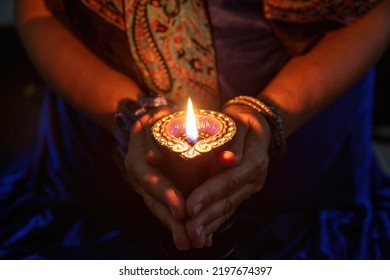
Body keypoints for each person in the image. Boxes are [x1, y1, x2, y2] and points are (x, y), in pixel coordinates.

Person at [1, 0, 389, 259]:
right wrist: (131, 117)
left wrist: (267, 116)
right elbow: (37, 10)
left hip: (306, 162)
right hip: (93, 167)